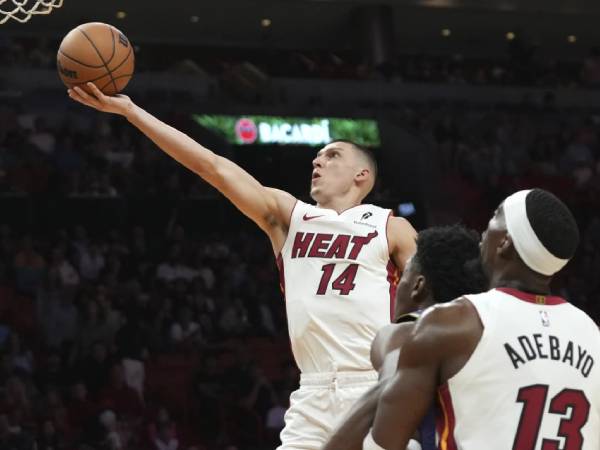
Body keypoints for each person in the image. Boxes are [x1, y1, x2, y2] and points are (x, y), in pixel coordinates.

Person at [67, 83, 417, 449]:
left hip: (373, 385)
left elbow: (435, 304)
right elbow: (212, 166)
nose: (317, 161)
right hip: (313, 394)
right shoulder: (289, 216)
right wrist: (131, 112)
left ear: (362, 175)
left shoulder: (391, 226)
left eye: (331, 156)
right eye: (317, 156)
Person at [364, 189, 600, 450]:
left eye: (495, 217)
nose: (485, 232)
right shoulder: (591, 332)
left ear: (505, 243)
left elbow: (382, 443)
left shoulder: (457, 321)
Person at [323, 225, 488, 450]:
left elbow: (386, 393)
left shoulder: (407, 331)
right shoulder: (491, 332)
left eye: (402, 277)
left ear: (418, 287)